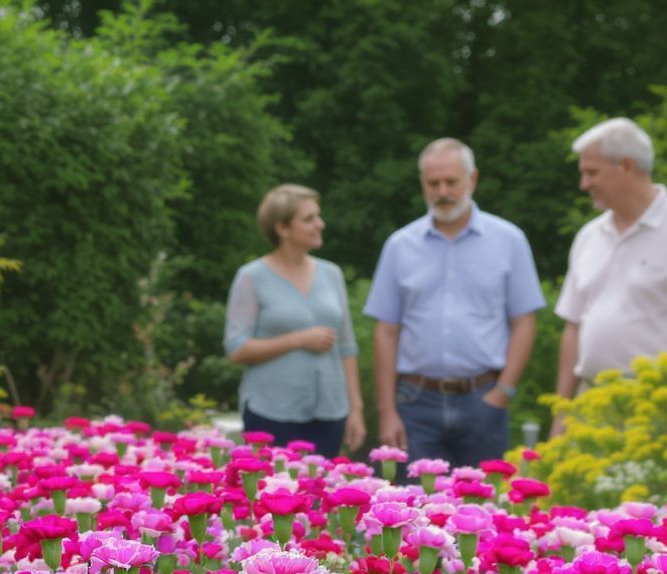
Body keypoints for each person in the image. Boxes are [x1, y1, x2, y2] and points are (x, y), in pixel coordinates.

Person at [365, 138, 545, 467]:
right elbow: (386, 331)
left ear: (472, 180)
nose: (443, 191)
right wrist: (387, 411)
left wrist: (503, 392)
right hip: (415, 402)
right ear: (423, 184)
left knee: (484, 512)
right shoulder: (399, 246)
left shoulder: (509, 241)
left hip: (483, 397)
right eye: (433, 183)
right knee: (412, 509)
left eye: (451, 181)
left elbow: (524, 321)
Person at [552, 117, 667, 424]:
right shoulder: (589, 236)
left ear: (627, 166)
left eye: (591, 173)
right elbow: (573, 328)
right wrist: (562, 414)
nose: (584, 184)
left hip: (659, 409)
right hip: (591, 404)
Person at [223, 184, 365, 459]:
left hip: (329, 412)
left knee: (320, 497)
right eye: (309, 219)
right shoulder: (252, 277)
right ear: (282, 228)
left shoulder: (331, 274)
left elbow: (347, 348)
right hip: (270, 413)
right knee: (272, 497)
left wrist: (355, 409)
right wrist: (298, 340)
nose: (320, 224)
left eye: (318, 217)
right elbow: (236, 348)